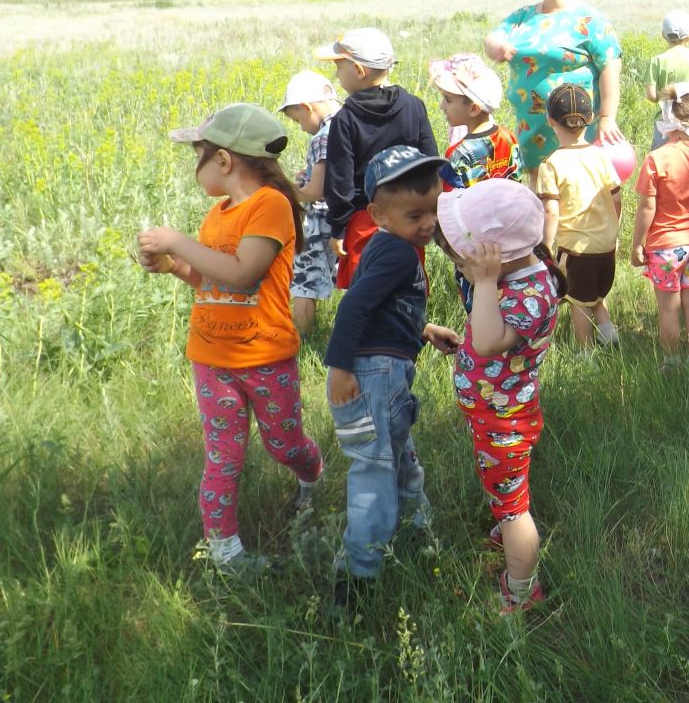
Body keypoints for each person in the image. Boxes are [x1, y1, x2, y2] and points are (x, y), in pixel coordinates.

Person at [136, 103, 323, 575]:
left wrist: (178, 242)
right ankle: (226, 552)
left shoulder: (271, 205)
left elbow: (243, 275)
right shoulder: (217, 214)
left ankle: (312, 473)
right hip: (212, 358)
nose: (195, 167)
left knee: (284, 445)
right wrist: (175, 266)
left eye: (198, 155)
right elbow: (211, 280)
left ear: (223, 160)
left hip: (264, 356)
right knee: (223, 457)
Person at [324, 145, 454, 605]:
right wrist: (339, 368)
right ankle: (358, 580)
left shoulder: (391, 246)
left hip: (386, 373)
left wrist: (422, 330)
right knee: (375, 471)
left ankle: (416, 536)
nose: (429, 223)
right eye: (415, 214)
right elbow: (355, 306)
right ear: (378, 214)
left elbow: (381, 307)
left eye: (434, 210)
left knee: (399, 461)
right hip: (371, 377)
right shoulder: (399, 253)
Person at [437, 179, 562, 615]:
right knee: (504, 493)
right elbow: (485, 339)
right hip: (497, 412)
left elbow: (489, 342)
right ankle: (505, 525)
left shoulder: (526, 293)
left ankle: (523, 590)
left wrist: (485, 283)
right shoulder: (526, 276)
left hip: (504, 418)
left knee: (515, 511)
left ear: (498, 260)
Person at [483, 0, 625, 173]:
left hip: (574, 128)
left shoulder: (589, 20)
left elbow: (610, 65)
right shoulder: (523, 16)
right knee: (538, 186)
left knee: (575, 186)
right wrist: (496, 46)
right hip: (531, 125)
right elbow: (493, 38)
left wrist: (607, 117)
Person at [315, 28, 437, 288]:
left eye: (339, 67)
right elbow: (429, 161)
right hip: (409, 215)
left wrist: (338, 228)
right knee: (409, 284)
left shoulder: (344, 119)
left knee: (367, 288)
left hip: (366, 217)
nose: (336, 75)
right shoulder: (414, 105)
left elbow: (340, 180)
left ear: (359, 71)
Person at [631, 84, 689, 376]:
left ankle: (670, 364)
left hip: (664, 246)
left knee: (669, 308)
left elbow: (647, 207)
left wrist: (638, 243)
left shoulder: (656, 159)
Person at [533, 83, 623, 354]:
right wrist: (614, 231)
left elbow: (551, 211)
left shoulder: (551, 164)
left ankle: (585, 354)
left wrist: (546, 250)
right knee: (596, 295)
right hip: (606, 245)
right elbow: (616, 199)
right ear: (591, 119)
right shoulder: (601, 156)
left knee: (578, 302)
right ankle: (609, 337)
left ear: (550, 120)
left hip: (576, 249)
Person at [278, 70, 343, 339]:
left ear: (307, 107)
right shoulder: (347, 123)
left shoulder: (322, 137)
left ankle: (302, 340)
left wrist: (287, 190)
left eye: (298, 119)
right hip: (345, 218)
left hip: (320, 220)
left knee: (303, 282)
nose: (301, 127)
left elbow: (316, 192)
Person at [432, 53, 522, 189]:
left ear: (474, 109)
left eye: (448, 100)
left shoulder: (459, 154)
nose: (442, 106)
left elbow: (451, 204)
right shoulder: (509, 137)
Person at [645, 11, 689, 148]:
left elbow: (651, 95)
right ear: (688, 37)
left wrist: (665, 96)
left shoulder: (657, 61)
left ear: (663, 35)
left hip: (665, 122)